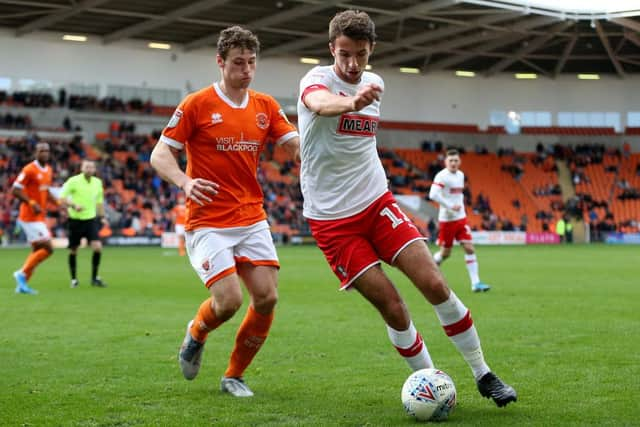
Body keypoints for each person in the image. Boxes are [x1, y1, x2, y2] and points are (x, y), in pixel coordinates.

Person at [297, 10, 516, 407]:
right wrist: (349, 102)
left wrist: (360, 94)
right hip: (331, 221)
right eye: (344, 54)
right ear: (332, 49)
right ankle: (432, 385)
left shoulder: (376, 82)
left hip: (376, 201)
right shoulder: (316, 81)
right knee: (393, 306)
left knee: (434, 284)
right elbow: (320, 103)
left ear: (371, 51)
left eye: (360, 55)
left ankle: (484, 374)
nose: (351, 64)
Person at [150, 25, 299, 398]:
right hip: (208, 221)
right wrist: (185, 182)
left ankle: (234, 375)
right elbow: (159, 154)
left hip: (251, 216)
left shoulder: (265, 105)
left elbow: (294, 144)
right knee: (229, 301)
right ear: (220, 62)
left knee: (266, 297)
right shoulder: (197, 104)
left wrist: (316, 141)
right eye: (238, 62)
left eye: (251, 62)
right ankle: (197, 332)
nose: (246, 70)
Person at [429, 149, 491, 292]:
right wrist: (450, 206)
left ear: (460, 162)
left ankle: (476, 284)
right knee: (446, 253)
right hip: (447, 220)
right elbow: (433, 194)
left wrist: (460, 209)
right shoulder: (441, 176)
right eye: (451, 160)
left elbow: (458, 196)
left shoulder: (461, 175)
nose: (453, 163)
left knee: (469, 248)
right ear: (446, 162)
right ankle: (431, 266)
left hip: (461, 218)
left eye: (456, 160)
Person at [11, 142, 56, 295]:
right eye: (41, 151)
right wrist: (31, 202)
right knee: (48, 248)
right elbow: (15, 190)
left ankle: (22, 286)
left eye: (47, 151)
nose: (45, 153)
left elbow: (46, 191)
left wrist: (58, 203)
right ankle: (21, 273)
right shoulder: (29, 169)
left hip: (39, 217)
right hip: (29, 216)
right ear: (35, 153)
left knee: (37, 250)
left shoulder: (49, 170)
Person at [60, 160, 108, 288]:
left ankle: (94, 278)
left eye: (92, 167)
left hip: (90, 219)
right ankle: (74, 279)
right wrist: (73, 205)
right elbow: (62, 199)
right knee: (74, 250)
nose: (89, 169)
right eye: (87, 166)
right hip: (75, 220)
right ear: (81, 168)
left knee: (97, 247)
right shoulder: (73, 181)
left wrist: (102, 217)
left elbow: (99, 202)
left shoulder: (98, 183)